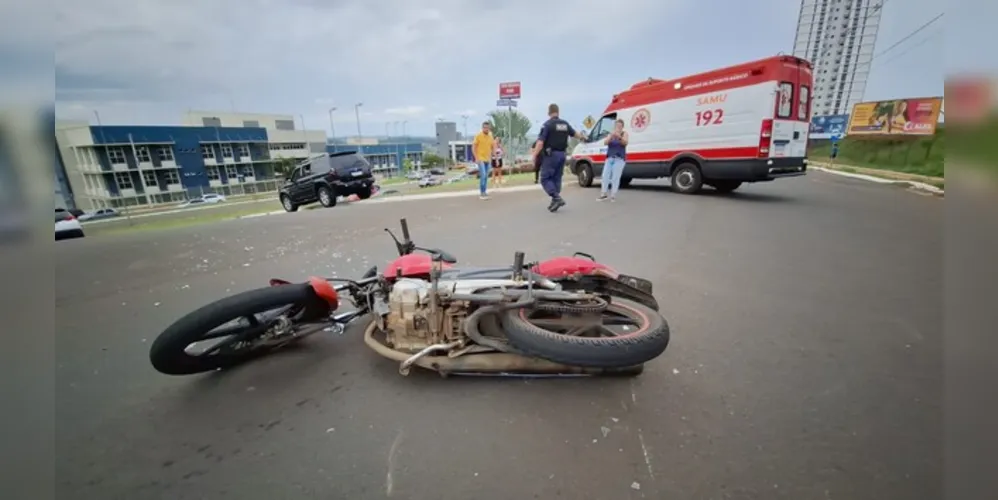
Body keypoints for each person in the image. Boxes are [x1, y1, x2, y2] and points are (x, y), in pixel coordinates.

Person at [532, 103, 587, 212]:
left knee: (545, 178)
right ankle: (555, 200)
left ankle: (556, 197)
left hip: (551, 155)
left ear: (549, 112)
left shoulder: (547, 125)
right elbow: (575, 134)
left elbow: (540, 143)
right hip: (562, 155)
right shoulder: (565, 124)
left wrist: (534, 155)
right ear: (558, 112)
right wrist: (583, 138)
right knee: (557, 178)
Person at [599, 119, 628, 202]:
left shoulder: (624, 134)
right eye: (617, 126)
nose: (618, 127)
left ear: (622, 127)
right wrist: (611, 136)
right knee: (605, 175)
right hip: (610, 158)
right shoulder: (611, 134)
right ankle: (603, 194)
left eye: (620, 126)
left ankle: (613, 195)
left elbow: (625, 143)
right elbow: (605, 142)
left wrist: (619, 137)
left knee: (615, 177)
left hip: (619, 159)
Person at [471, 122, 496, 199]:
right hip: (480, 158)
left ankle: (484, 192)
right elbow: (473, 147)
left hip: (487, 159)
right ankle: (482, 193)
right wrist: (476, 158)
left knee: (486, 176)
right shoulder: (478, 136)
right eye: (485, 127)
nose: (486, 129)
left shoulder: (490, 136)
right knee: (483, 175)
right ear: (482, 128)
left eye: (487, 128)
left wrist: (494, 155)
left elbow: (493, 146)